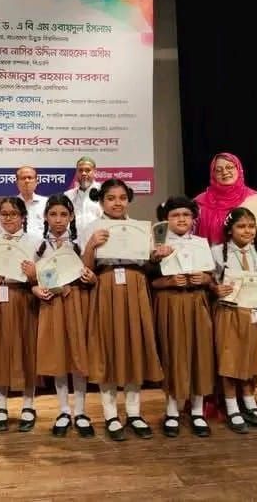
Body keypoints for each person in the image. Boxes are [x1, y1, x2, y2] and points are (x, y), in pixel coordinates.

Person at [81, 179, 165, 441]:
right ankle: (110, 415)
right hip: (105, 286)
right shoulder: (91, 228)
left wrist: (155, 256)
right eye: (110, 198)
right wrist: (91, 245)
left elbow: (149, 264)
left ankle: (134, 413)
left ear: (128, 200)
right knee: (107, 347)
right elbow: (85, 268)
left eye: (122, 198)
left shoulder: (140, 228)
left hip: (135, 286)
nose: (117, 203)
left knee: (134, 346)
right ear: (101, 201)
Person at [150, 196, 215, 438]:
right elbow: (148, 281)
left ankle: (197, 411)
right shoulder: (156, 246)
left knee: (200, 354)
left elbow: (212, 277)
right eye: (175, 215)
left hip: (197, 301)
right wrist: (167, 280)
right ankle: (172, 411)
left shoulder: (201, 243)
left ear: (193, 219)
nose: (181, 219)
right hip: (170, 302)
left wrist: (206, 279)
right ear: (166, 219)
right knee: (173, 354)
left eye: (186, 215)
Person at [33, 194, 97, 438]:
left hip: (75, 303)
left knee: (77, 357)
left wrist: (91, 278)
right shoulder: (39, 246)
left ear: (71, 217)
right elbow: (32, 278)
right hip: (51, 304)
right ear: (45, 217)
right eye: (53, 214)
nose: (58, 220)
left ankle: (80, 411)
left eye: (63, 214)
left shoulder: (79, 244)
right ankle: (63, 410)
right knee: (58, 356)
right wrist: (35, 288)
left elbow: (90, 275)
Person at [0, 197, 39, 432]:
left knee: (26, 350)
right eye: (4, 214)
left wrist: (34, 274)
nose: (8, 218)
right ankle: (0, 405)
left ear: (23, 217)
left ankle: (28, 405)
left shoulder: (34, 243)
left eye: (13, 214)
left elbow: (45, 275)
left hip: (23, 298)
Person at [211, 207, 257, 434]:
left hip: (252, 312)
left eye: (251, 226)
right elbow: (208, 280)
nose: (247, 231)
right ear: (230, 229)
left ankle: (249, 402)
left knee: (250, 358)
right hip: (228, 313)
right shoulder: (217, 252)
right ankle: (231, 406)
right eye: (241, 226)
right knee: (230, 359)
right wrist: (215, 288)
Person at [195, 153, 257, 245]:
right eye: (218, 170)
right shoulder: (200, 202)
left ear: (238, 169)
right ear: (213, 174)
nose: (225, 172)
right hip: (205, 253)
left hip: (249, 253)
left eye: (229, 167)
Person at [7, 166, 47, 242]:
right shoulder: (9, 205)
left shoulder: (46, 203)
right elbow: (3, 233)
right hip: (17, 246)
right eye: (23, 178)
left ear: (36, 182)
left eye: (30, 177)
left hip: (43, 246)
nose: (27, 181)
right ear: (17, 183)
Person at [64, 156, 102, 233]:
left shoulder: (104, 192)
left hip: (99, 238)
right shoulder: (68, 195)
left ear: (94, 172)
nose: (83, 173)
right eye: (80, 170)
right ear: (76, 173)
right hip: (75, 238)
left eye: (88, 170)